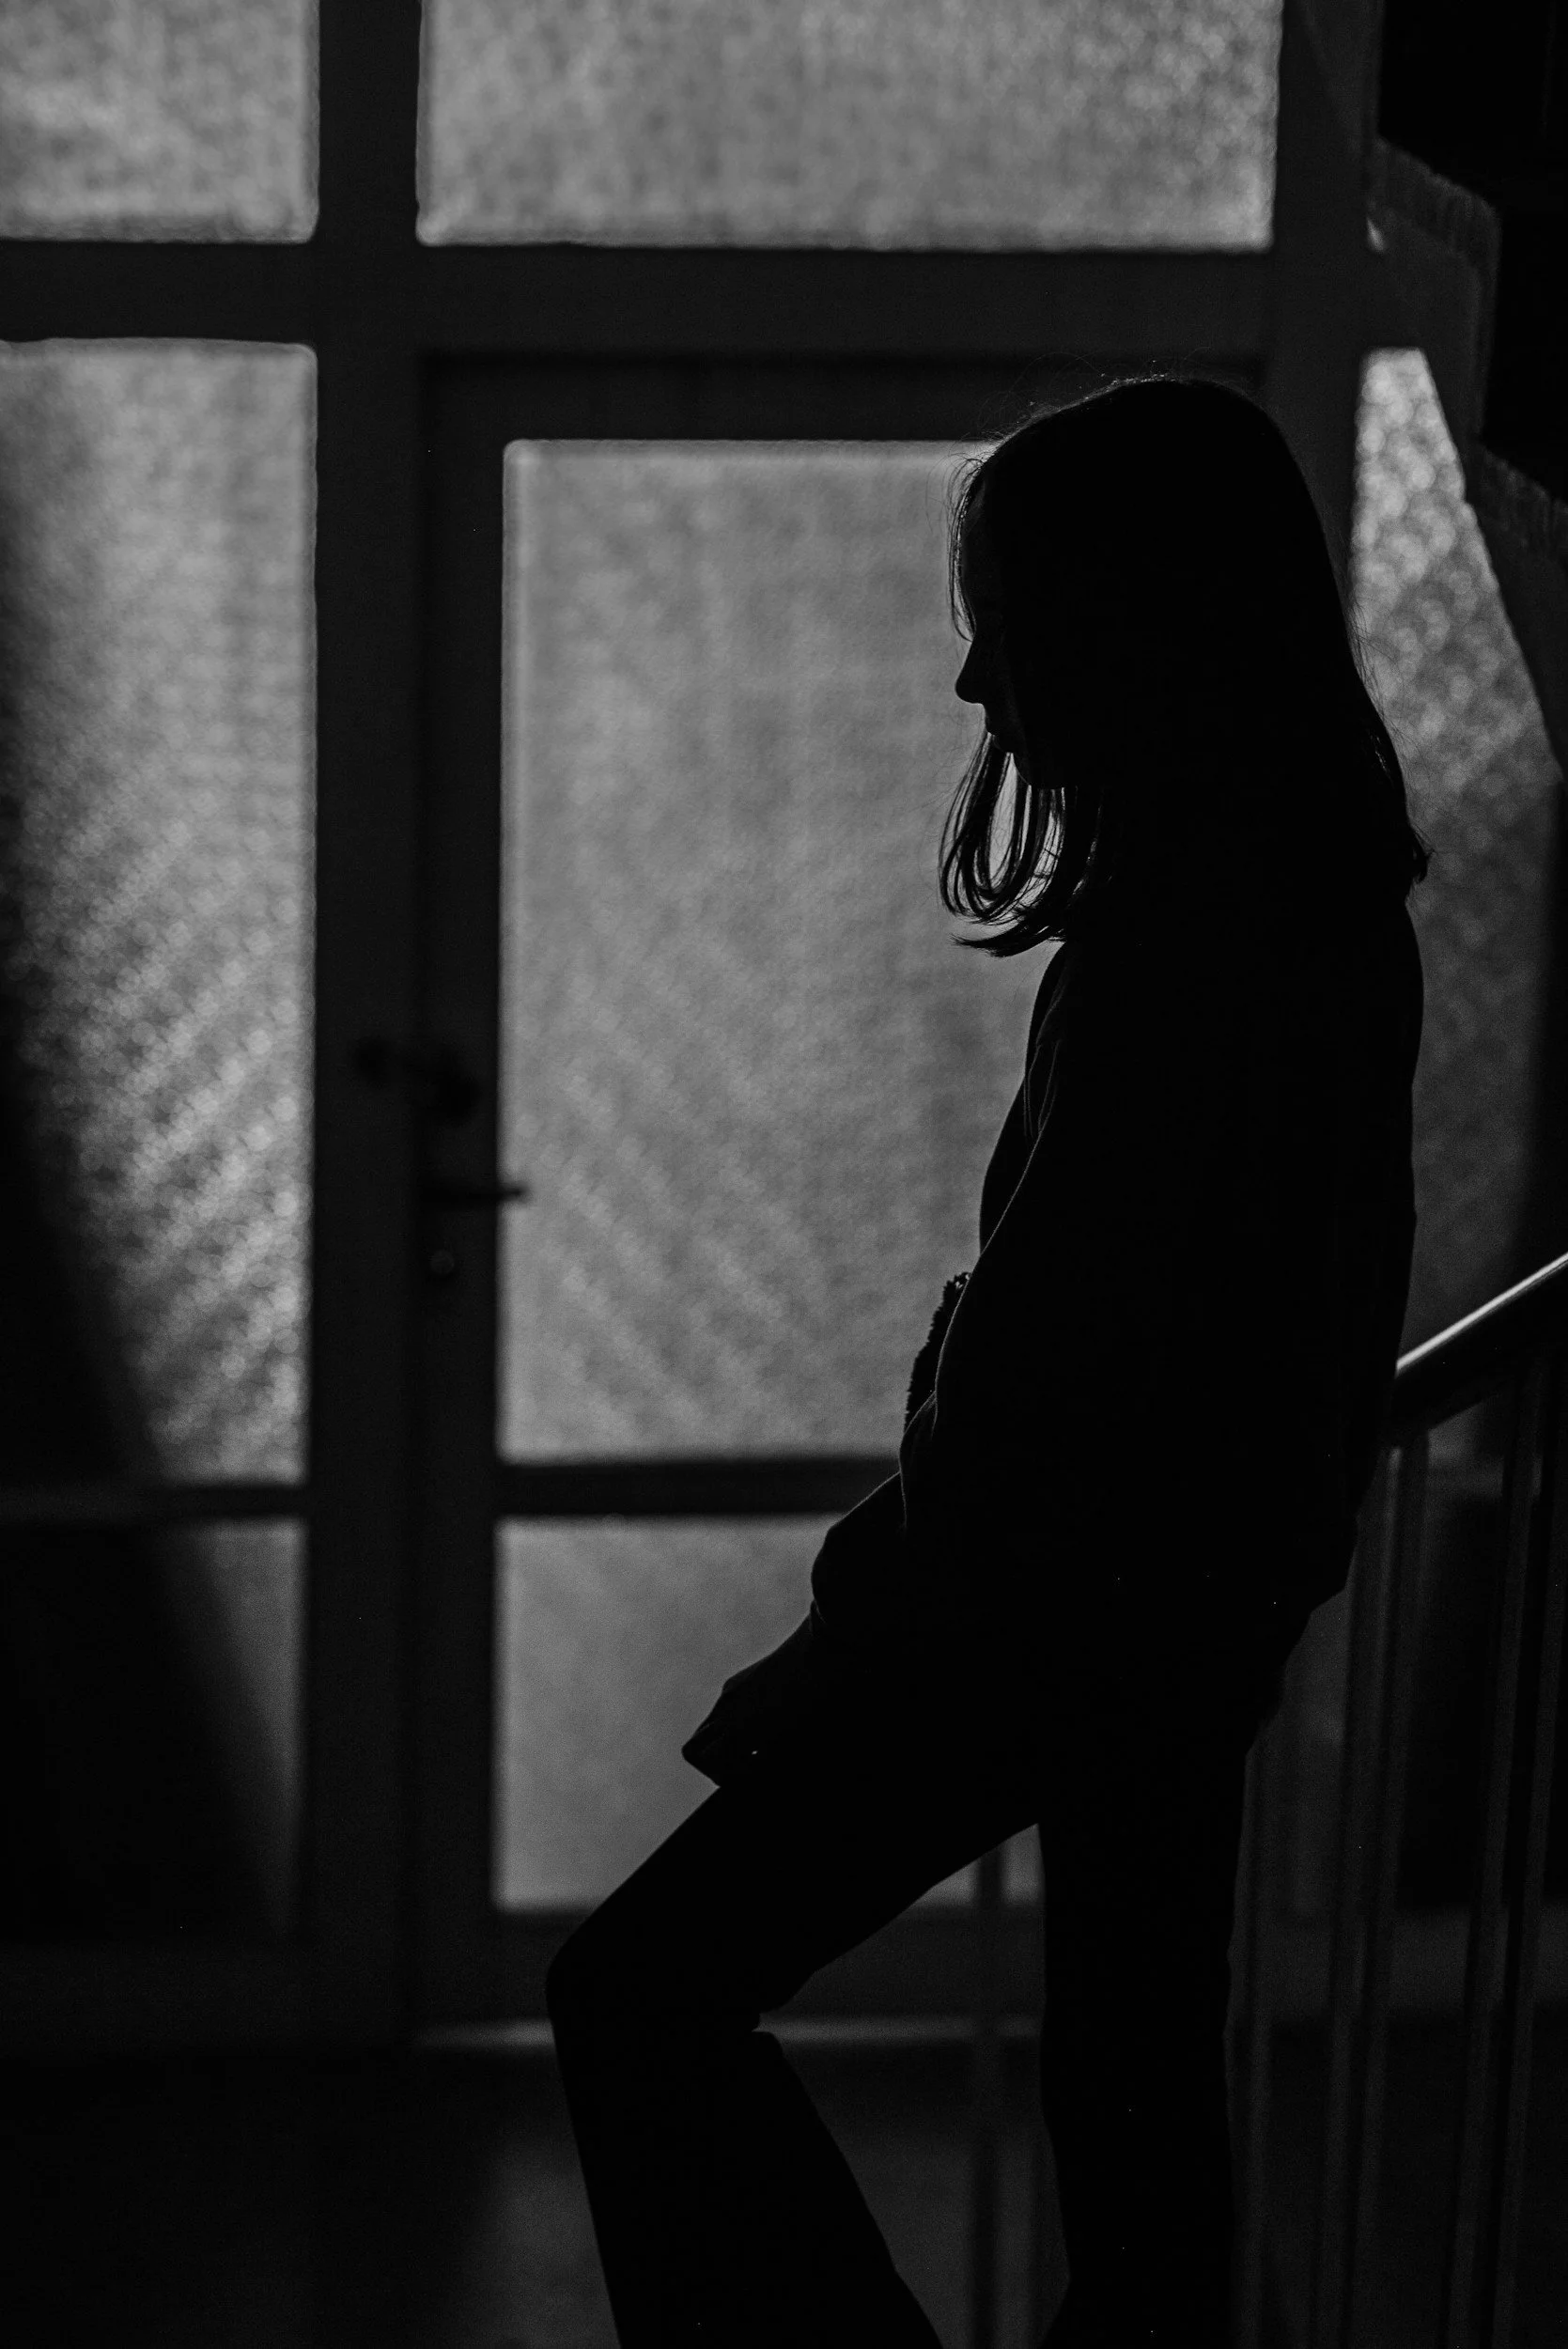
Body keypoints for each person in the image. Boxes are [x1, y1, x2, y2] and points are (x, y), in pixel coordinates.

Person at [545, 374, 1428, 2346]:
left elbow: (1048, 1356)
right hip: (1189, 1602)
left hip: (1060, 1604)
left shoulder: (1184, 939)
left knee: (638, 1993)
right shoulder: (1315, 907)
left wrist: (846, 1629)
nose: (970, 679)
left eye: (1005, 622)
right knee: (1136, 2100)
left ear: (1130, 626)